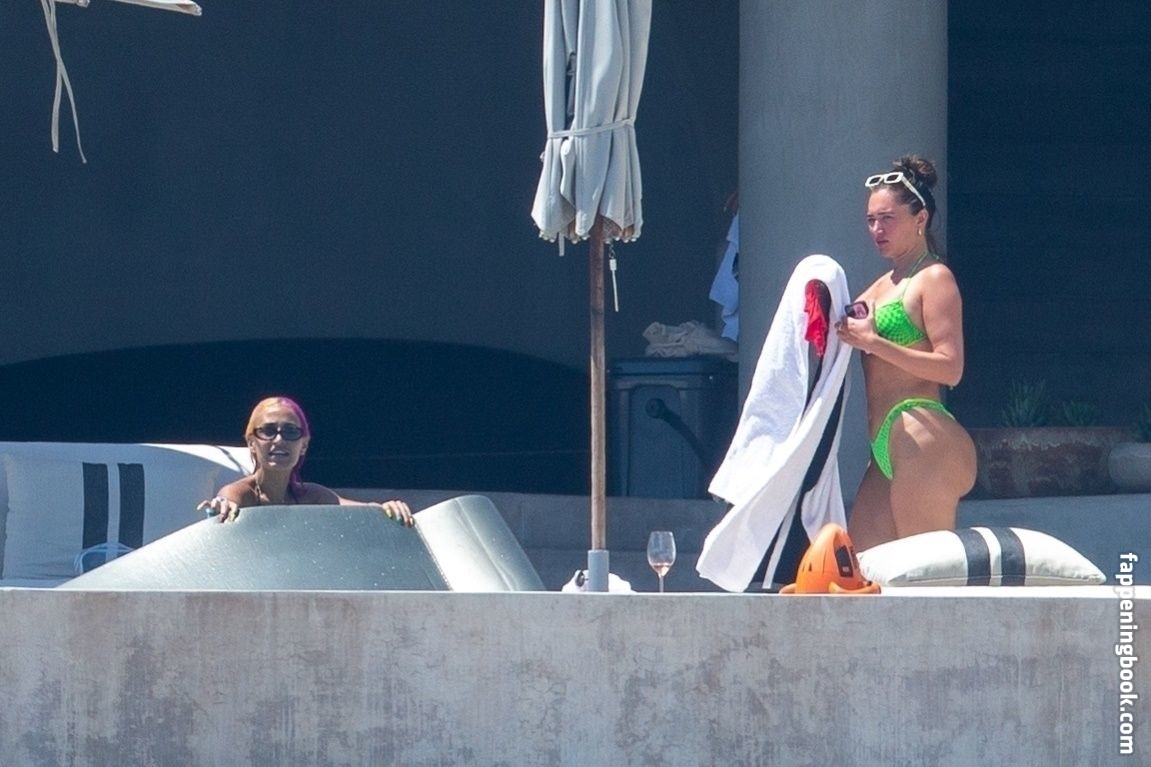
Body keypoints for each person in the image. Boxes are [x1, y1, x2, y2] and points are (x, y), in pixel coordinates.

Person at [835, 155, 976, 551]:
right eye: (870, 220)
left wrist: (875, 343)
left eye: (887, 219)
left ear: (921, 219)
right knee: (863, 570)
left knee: (927, 570)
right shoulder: (880, 286)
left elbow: (950, 368)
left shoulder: (934, 278)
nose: (877, 230)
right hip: (885, 448)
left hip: (923, 435)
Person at [197, 396, 415, 526]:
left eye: (291, 431)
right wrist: (221, 506)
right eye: (268, 431)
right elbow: (226, 502)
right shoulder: (241, 494)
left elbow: (366, 512)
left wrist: (387, 509)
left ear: (304, 445)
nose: (279, 440)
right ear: (252, 443)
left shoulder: (313, 496)